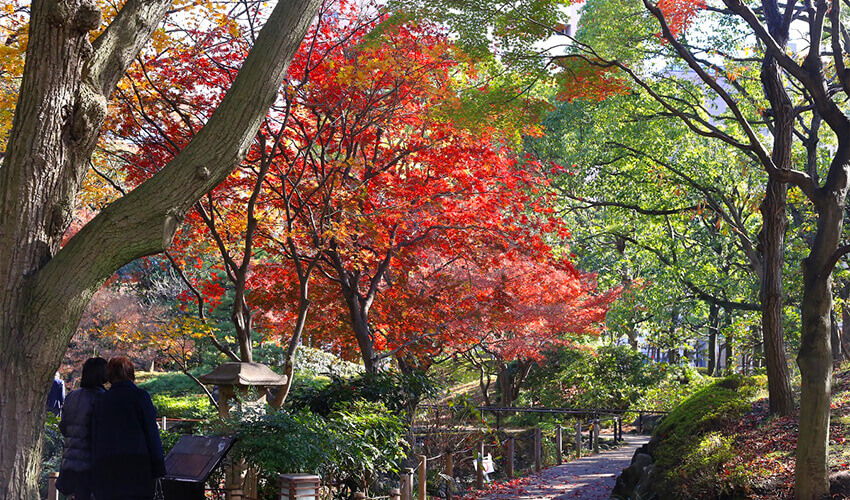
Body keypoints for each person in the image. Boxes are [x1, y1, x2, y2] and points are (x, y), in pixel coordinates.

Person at [91, 356, 166, 500]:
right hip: (137, 468)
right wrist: (158, 466)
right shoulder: (140, 397)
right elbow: (151, 433)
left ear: (110, 376)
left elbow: (95, 437)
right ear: (131, 373)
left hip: (107, 468)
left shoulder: (102, 400)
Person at [57, 357, 108, 500]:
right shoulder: (102, 398)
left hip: (70, 461)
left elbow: (64, 427)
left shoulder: (72, 395)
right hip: (91, 463)